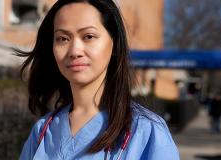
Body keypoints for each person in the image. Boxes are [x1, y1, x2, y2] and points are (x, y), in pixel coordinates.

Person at [16, 0, 179, 159]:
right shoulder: (43, 131)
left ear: (114, 45)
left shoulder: (146, 131)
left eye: (88, 36)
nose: (75, 51)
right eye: (63, 38)